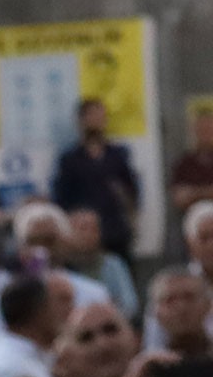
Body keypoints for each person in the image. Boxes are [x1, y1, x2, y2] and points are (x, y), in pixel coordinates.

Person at [53, 101, 146, 260]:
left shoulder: (117, 155)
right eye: (92, 116)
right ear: (81, 121)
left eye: (100, 116)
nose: (97, 121)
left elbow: (131, 191)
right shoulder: (70, 160)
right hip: (84, 237)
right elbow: (62, 199)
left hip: (116, 232)